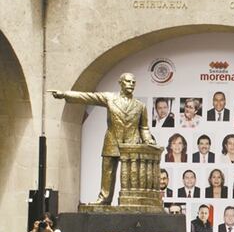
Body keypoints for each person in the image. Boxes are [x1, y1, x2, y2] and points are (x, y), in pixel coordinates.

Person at [50, 74, 160, 205]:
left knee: (131, 175)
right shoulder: (110, 98)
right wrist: (64, 94)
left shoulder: (140, 106)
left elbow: (144, 127)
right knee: (108, 171)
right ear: (121, 83)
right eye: (128, 81)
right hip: (112, 141)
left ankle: (130, 201)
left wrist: (148, 140)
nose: (131, 84)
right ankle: (104, 199)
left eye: (133, 82)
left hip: (131, 144)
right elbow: (88, 97)